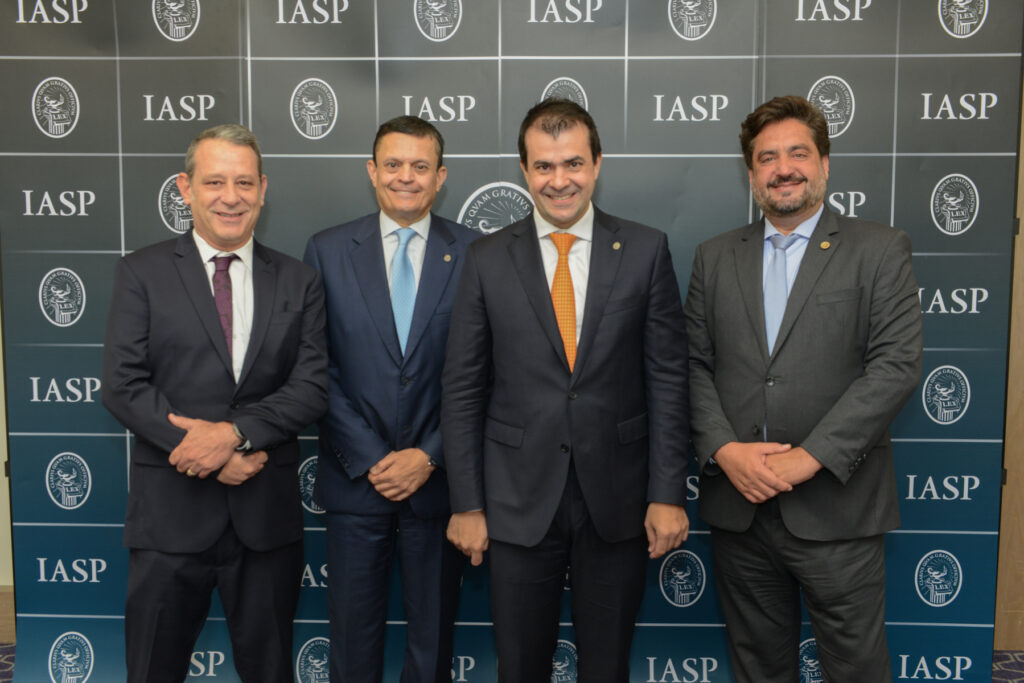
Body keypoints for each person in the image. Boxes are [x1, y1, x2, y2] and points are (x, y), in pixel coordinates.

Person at [442, 98, 690, 682]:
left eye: (573, 163)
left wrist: (667, 493)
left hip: (619, 501)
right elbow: (463, 389)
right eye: (544, 166)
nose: (560, 181)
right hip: (516, 502)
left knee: (607, 667)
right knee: (520, 666)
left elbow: (667, 379)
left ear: (597, 163)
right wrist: (467, 504)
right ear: (524, 170)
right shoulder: (485, 258)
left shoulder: (646, 250)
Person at [684, 95, 923, 683]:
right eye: (767, 158)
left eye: (798, 153)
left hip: (837, 509)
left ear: (824, 164)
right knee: (758, 668)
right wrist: (724, 450)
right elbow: (691, 365)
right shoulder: (714, 258)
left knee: (856, 669)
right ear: (751, 173)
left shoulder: (879, 248)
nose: (783, 169)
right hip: (740, 509)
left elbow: (895, 366)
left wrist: (810, 457)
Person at [102, 123, 328, 682]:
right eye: (214, 182)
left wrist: (232, 436)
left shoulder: (299, 281)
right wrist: (205, 452)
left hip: (265, 521)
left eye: (244, 182)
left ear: (263, 189)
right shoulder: (141, 272)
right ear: (186, 188)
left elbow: (310, 387)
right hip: (170, 519)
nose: (231, 197)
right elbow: (123, 385)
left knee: (270, 671)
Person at [303, 115, 475, 682]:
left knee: (433, 645)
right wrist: (374, 457)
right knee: (352, 644)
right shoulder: (327, 250)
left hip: (439, 485)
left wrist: (428, 456)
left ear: (440, 177)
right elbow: (315, 368)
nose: (406, 176)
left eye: (420, 166)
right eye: (394, 164)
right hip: (356, 481)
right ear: (372, 172)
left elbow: (488, 372)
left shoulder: (476, 252)